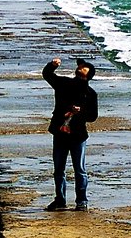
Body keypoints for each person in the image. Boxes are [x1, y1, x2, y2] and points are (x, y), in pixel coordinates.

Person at [42, 57, 98, 211]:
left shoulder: (90, 94)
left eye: (82, 74)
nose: (80, 74)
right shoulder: (64, 84)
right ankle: (60, 200)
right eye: (79, 71)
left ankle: (82, 201)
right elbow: (47, 75)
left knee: (80, 170)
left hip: (78, 136)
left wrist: (81, 112)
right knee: (58, 170)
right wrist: (52, 65)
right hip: (60, 132)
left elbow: (93, 116)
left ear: (87, 77)